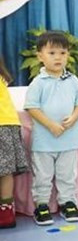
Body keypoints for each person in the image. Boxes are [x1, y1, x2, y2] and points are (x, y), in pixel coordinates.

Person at [24, 31, 78, 225]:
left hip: (69, 140)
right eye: (52, 53)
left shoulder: (73, 80)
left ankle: (68, 203)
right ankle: (41, 205)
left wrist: (74, 118)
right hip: (45, 141)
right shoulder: (38, 82)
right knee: (42, 175)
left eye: (62, 52)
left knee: (67, 174)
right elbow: (31, 107)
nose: (58, 57)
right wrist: (50, 124)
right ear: (40, 56)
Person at [0, 57, 29, 229]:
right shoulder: (2, 77)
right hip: (9, 125)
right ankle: (6, 212)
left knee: (4, 172)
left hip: (3, 125)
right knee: (6, 171)